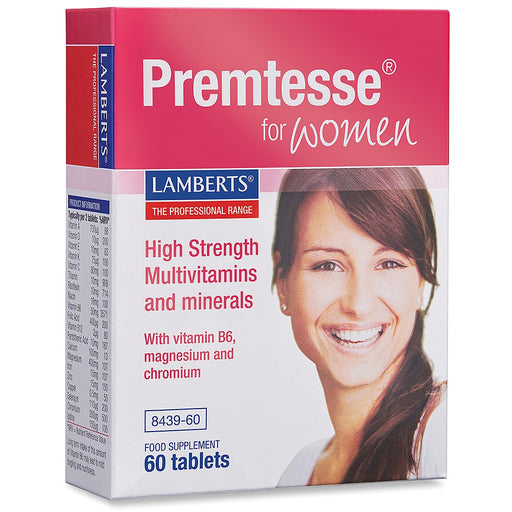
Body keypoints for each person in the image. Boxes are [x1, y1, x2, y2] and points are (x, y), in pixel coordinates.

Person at [272, 167, 446, 485]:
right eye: (327, 265)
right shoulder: (298, 472)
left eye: (389, 263)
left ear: (421, 280)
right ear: (283, 283)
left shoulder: (447, 432)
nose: (359, 304)